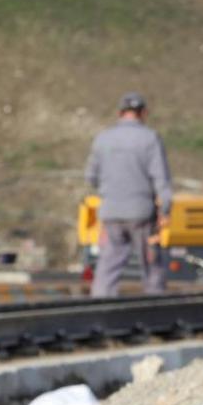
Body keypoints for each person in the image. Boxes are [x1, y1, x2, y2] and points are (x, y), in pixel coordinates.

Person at [85, 91, 173, 298]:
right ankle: (155, 307)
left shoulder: (103, 139)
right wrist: (165, 209)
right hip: (141, 213)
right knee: (151, 265)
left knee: (108, 266)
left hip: (111, 213)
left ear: (120, 113)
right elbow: (161, 178)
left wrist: (110, 193)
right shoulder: (149, 138)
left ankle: (100, 305)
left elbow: (91, 177)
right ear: (143, 113)